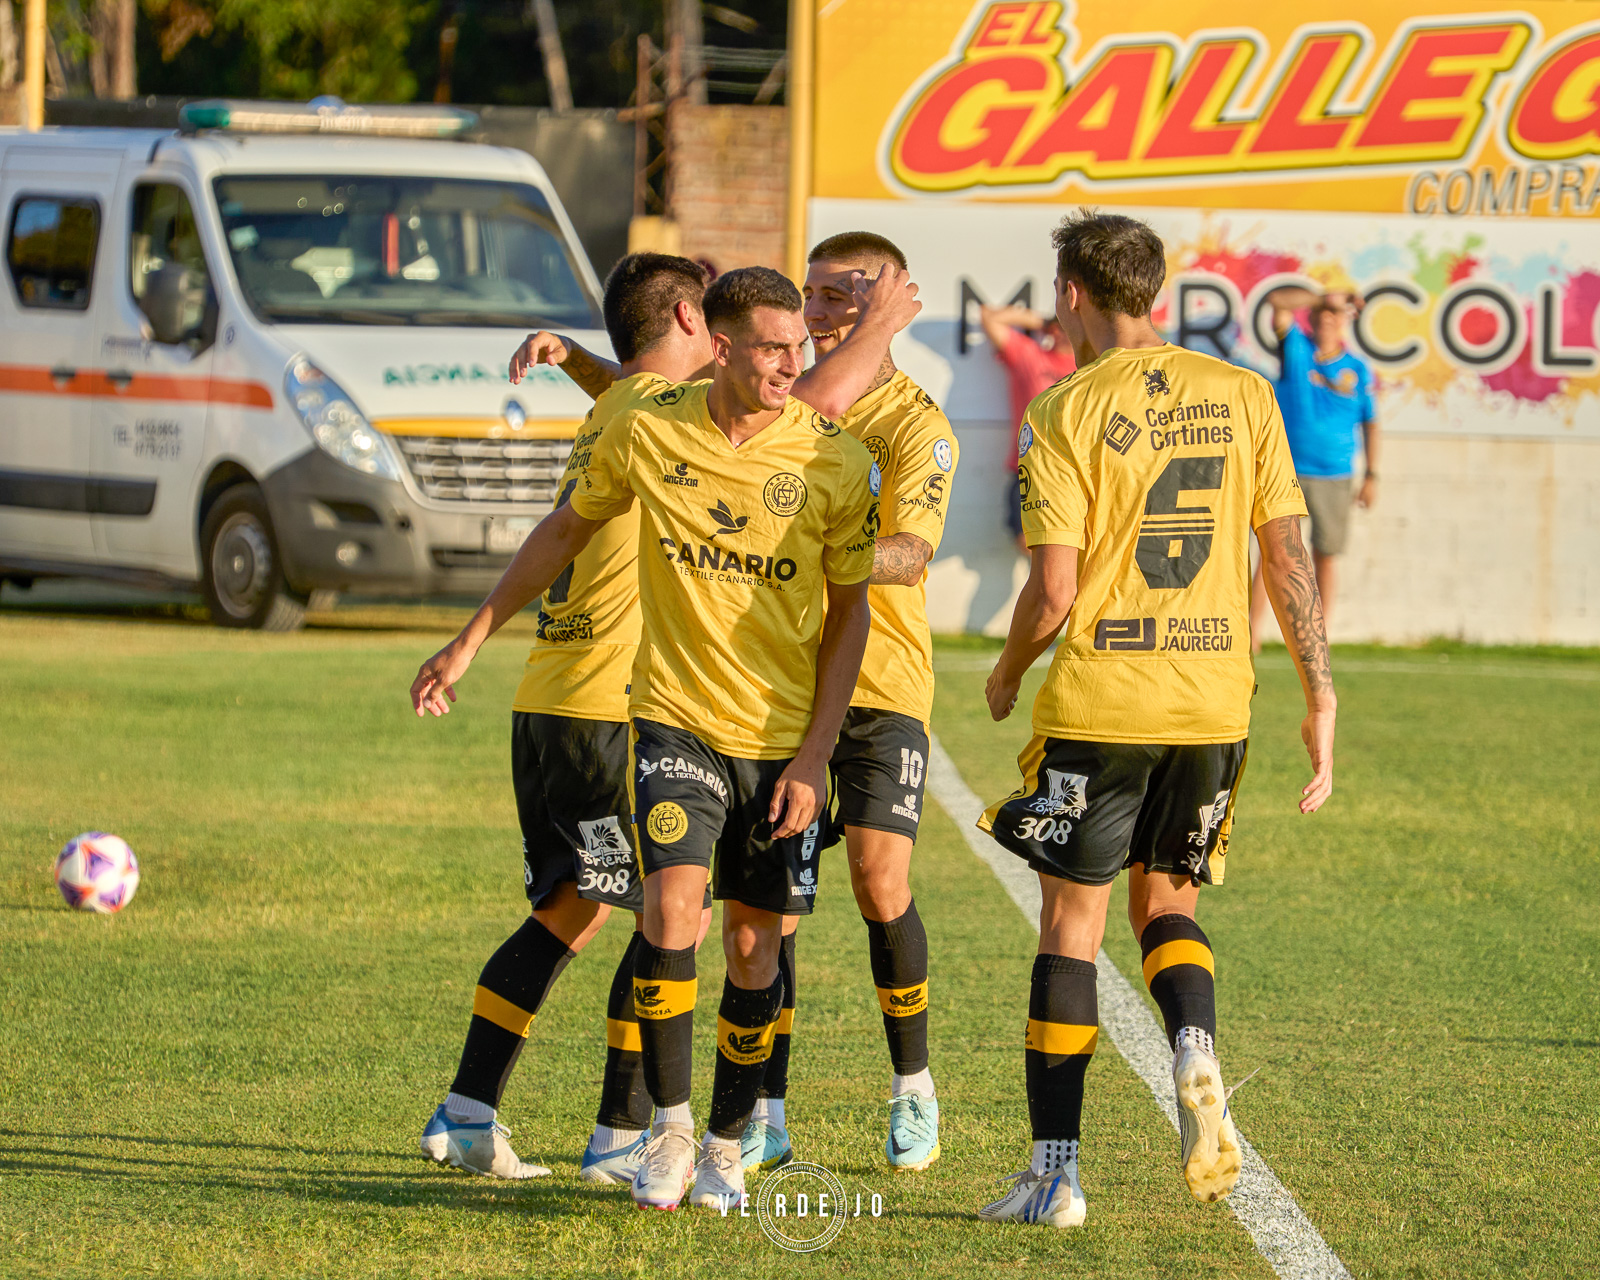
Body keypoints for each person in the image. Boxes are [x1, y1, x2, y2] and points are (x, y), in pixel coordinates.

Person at [417, 267, 884, 1213]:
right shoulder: (649, 422)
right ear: (712, 338)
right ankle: (649, 1130)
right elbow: (567, 523)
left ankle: (716, 1138)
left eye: (802, 346)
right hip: (654, 715)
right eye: (772, 346)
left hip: (775, 736)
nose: (794, 363)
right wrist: (470, 636)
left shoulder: (830, 459)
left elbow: (850, 612)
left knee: (745, 946)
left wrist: (814, 753)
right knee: (665, 912)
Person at [513, 236, 952, 1175]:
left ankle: (911, 1087)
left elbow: (907, 550)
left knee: (879, 881)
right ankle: (746, 1118)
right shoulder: (768, 390)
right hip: (737, 693)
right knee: (748, 924)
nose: (823, 313)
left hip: (873, 684)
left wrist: (811, 565)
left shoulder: (902, 423)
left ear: (885, 308)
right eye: (814, 296)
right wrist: (584, 362)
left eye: (845, 300)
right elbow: (672, 420)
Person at [976, 212, 1336, 1229]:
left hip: (1103, 699)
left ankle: (1055, 1174)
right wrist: (1320, 692)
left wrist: (1008, 666)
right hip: (1215, 700)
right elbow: (1288, 558)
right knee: (1167, 905)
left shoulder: (1063, 410)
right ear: (1157, 293)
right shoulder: (1245, 394)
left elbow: (1053, 587)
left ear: (1074, 294)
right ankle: (1192, 1044)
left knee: (1070, 926)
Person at [411, 253, 718, 1185]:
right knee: (673, 916)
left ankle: (468, 1111)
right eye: (713, 319)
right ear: (683, 314)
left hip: (551, 702)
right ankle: (622, 1135)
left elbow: (632, 398)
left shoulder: (615, 411)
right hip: (607, 713)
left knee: (572, 914)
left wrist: (468, 645)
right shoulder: (659, 418)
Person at [1250, 286, 1380, 648]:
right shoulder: (1297, 349)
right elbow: (1277, 301)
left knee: (1325, 555)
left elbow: (1372, 423)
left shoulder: (1357, 369)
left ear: (1343, 324)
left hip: (1336, 475)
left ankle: (1317, 636)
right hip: (1287, 470)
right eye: (1321, 315)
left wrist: (1372, 474)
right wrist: (1326, 297)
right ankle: (1252, 631)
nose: (1326, 320)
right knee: (1273, 552)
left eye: (1333, 316)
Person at [980, 303, 1076, 552]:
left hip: (1070, 475)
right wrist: (1045, 322)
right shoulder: (1029, 355)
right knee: (1029, 544)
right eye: (1066, 327)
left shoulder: (1089, 367)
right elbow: (990, 318)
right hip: (1027, 470)